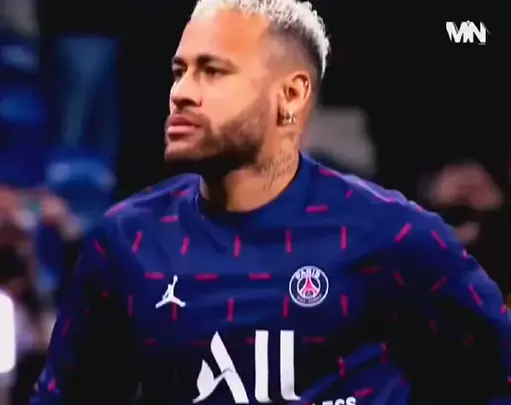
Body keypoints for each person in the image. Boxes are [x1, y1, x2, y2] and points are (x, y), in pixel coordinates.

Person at [33, 1, 511, 404]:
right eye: (179, 72)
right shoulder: (127, 241)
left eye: (212, 72)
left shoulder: (393, 233)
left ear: (291, 95)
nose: (182, 94)